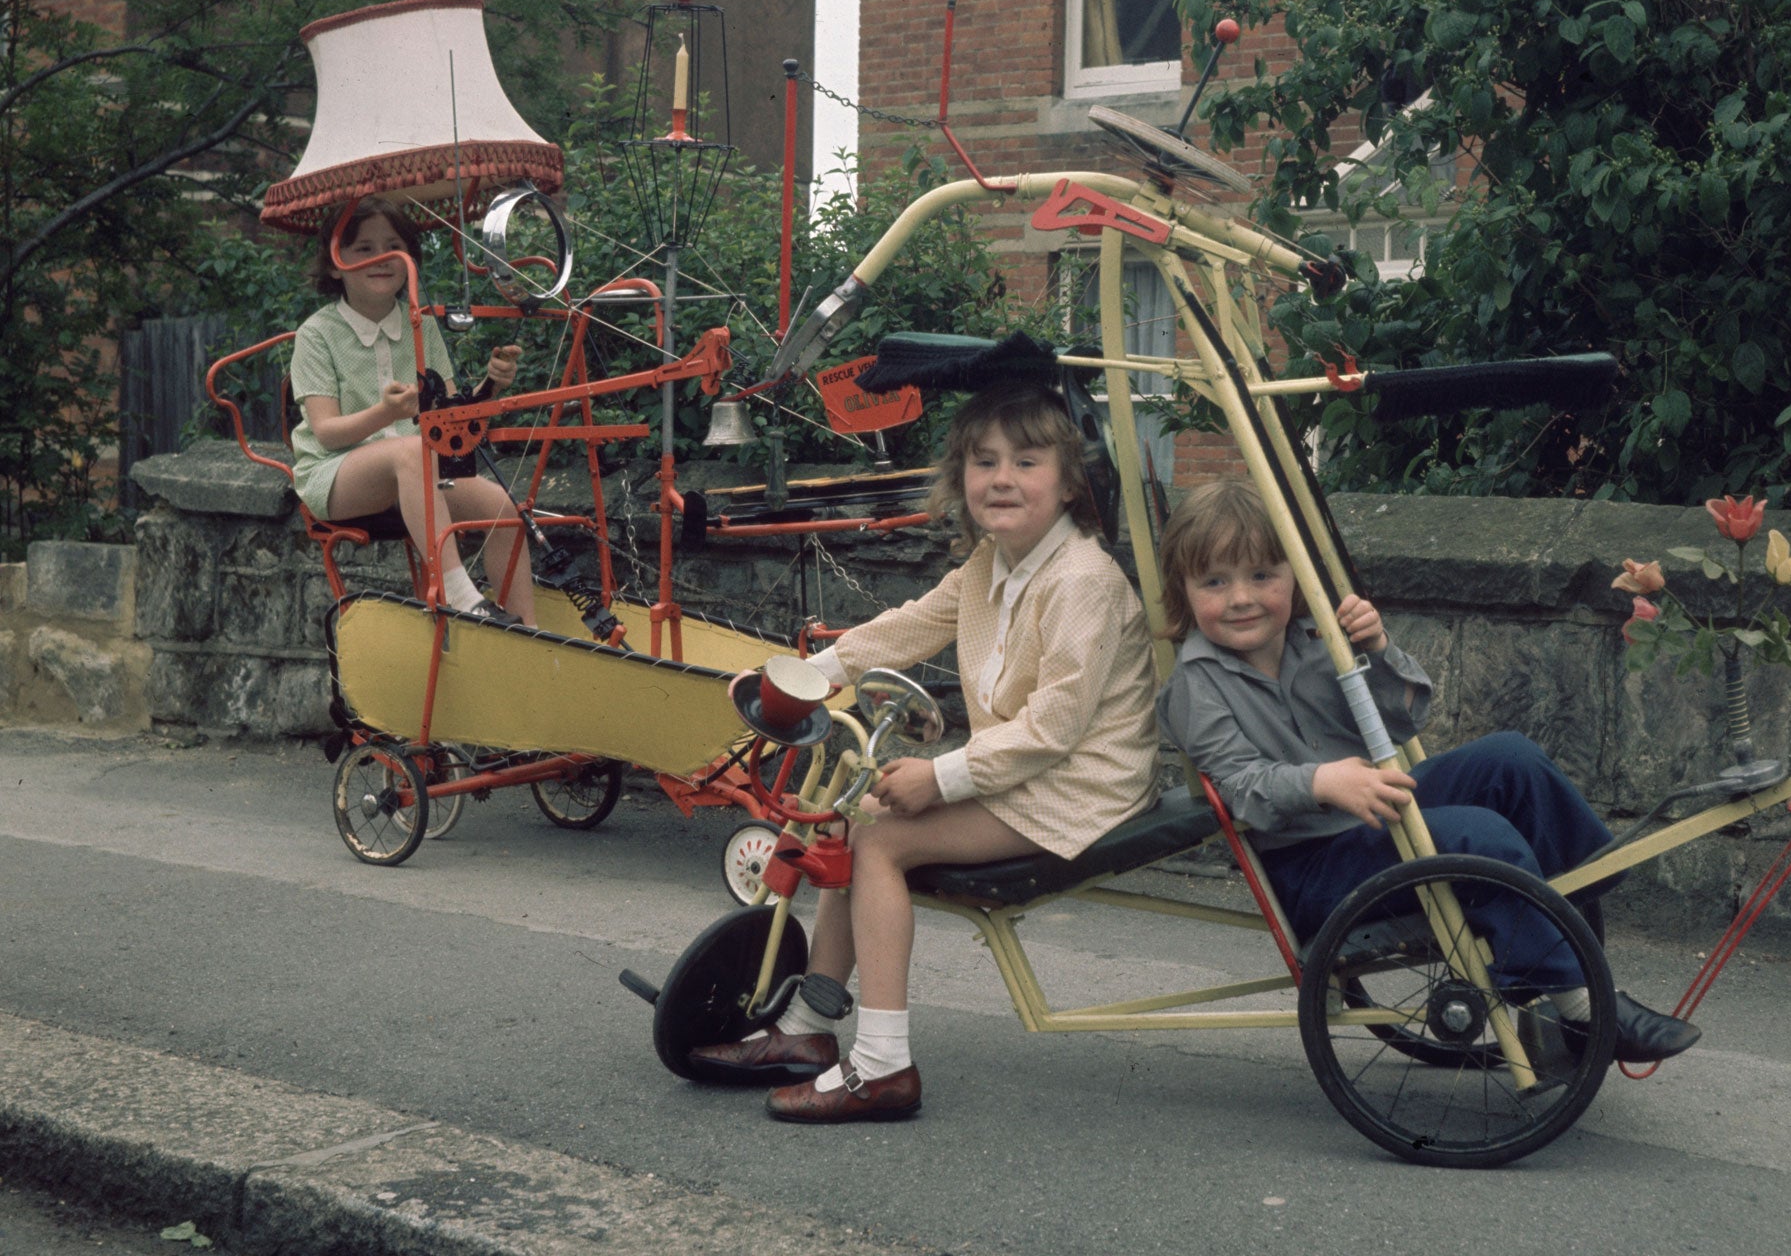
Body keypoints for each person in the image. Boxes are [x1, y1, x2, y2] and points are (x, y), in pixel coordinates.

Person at [686, 380, 1160, 1121]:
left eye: (1027, 462)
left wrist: (942, 777)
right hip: (1030, 770)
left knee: (877, 840)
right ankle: (808, 1030)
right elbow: (906, 627)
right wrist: (802, 679)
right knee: (848, 819)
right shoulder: (990, 565)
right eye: (983, 461)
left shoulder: (1083, 582)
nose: (1002, 478)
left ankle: (882, 1065)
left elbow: (1053, 731)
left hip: (1082, 786)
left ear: (1070, 482)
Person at [1154, 479, 1699, 1065]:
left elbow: (1401, 720)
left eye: (1262, 575)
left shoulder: (1317, 639)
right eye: (1214, 582)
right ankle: (1586, 1007)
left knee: (1510, 760)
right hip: (1310, 865)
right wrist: (1322, 781)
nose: (1241, 598)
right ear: (1183, 593)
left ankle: (1568, 913)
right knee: (1474, 836)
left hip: (1373, 819)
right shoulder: (1195, 684)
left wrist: (1379, 649)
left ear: (1294, 576)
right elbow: (1240, 788)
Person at [290, 202, 535, 626]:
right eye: (363, 248)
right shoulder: (317, 334)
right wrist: (386, 413)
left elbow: (450, 419)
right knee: (410, 451)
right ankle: (460, 597)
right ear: (334, 265)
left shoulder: (419, 324)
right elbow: (326, 433)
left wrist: (491, 385)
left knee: (501, 505)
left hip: (419, 472)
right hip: (336, 475)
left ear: (411, 259)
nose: (382, 258)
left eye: (394, 246)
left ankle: (528, 631)